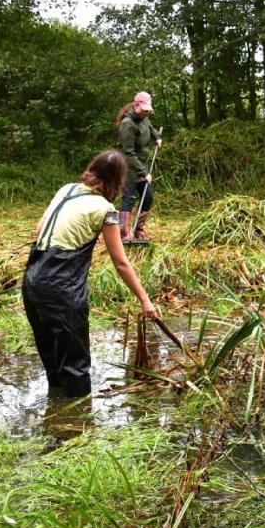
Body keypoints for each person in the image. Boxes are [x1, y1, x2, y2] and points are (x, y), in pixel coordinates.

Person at [23, 151, 159, 397]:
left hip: (32, 280)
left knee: (52, 360)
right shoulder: (106, 209)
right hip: (62, 285)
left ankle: (57, 411)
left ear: (92, 169)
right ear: (117, 180)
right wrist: (144, 299)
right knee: (75, 366)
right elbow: (120, 263)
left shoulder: (66, 190)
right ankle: (78, 416)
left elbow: (39, 228)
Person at [115, 91, 162, 241]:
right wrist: (144, 172)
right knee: (129, 198)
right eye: (144, 109)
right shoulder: (127, 124)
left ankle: (138, 229)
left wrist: (157, 136)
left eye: (148, 109)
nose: (147, 112)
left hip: (142, 165)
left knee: (147, 197)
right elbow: (128, 153)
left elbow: (150, 128)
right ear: (136, 105)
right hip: (129, 167)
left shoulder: (144, 117)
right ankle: (124, 233)